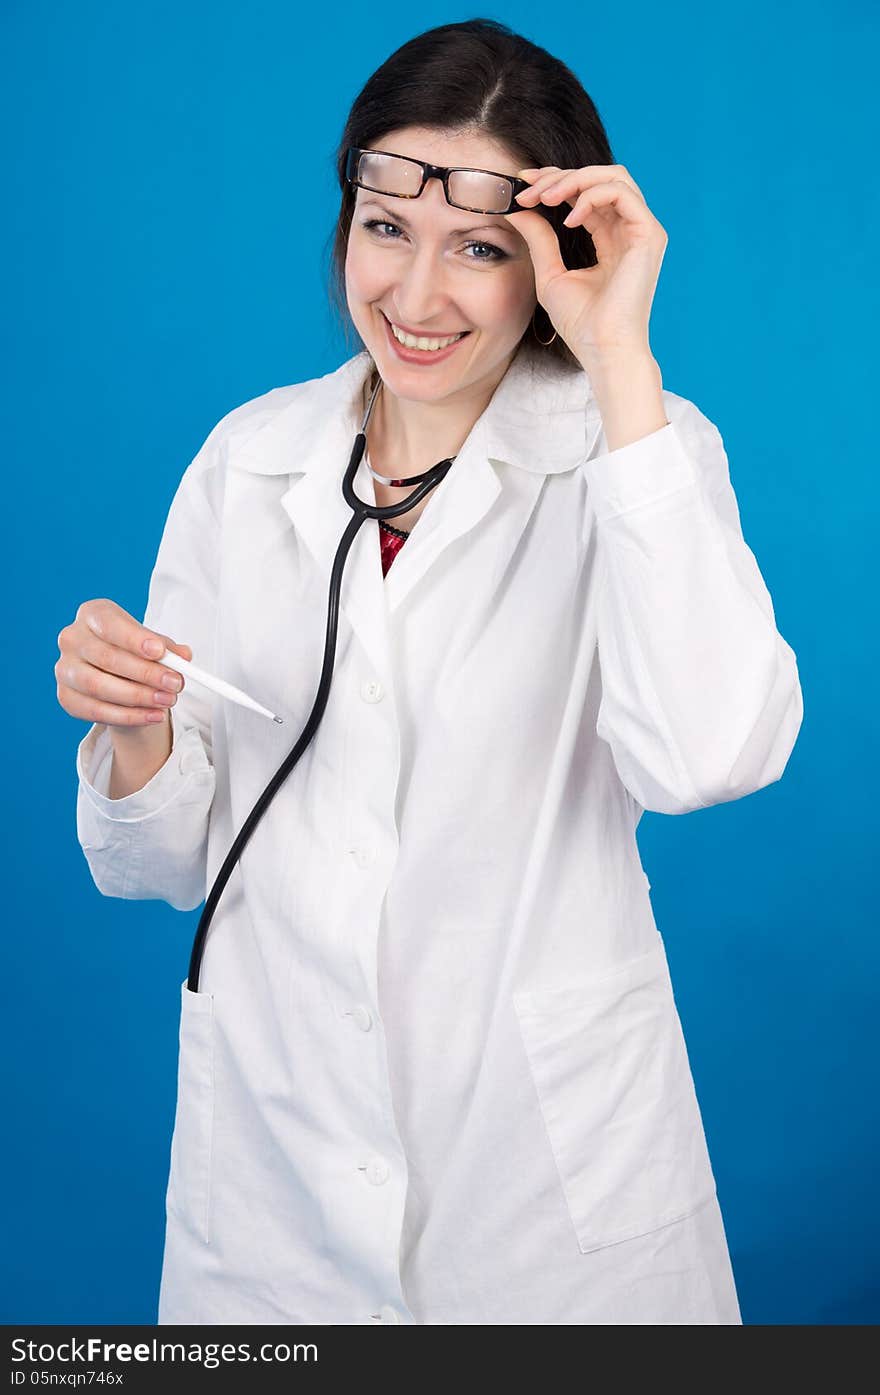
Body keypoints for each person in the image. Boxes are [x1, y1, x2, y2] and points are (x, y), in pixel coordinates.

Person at [58, 19, 803, 1325]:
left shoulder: (635, 453)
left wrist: (621, 362)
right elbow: (158, 862)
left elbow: (708, 757)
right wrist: (137, 730)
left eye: (479, 248)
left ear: (556, 260)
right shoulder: (251, 461)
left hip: (545, 1199)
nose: (414, 295)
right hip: (277, 1184)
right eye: (385, 227)